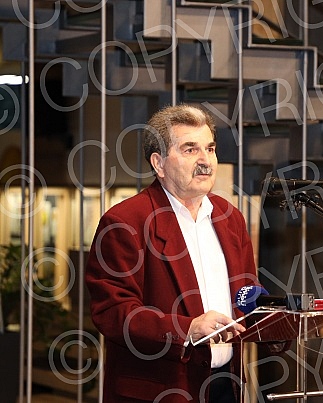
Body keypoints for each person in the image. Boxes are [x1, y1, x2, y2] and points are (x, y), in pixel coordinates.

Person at [85, 104, 260, 403]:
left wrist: (276, 317)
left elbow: (246, 295)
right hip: (162, 389)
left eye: (210, 149)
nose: (205, 161)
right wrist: (187, 328)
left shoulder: (230, 218)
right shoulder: (125, 222)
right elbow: (113, 312)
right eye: (190, 149)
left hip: (226, 384)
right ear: (159, 163)